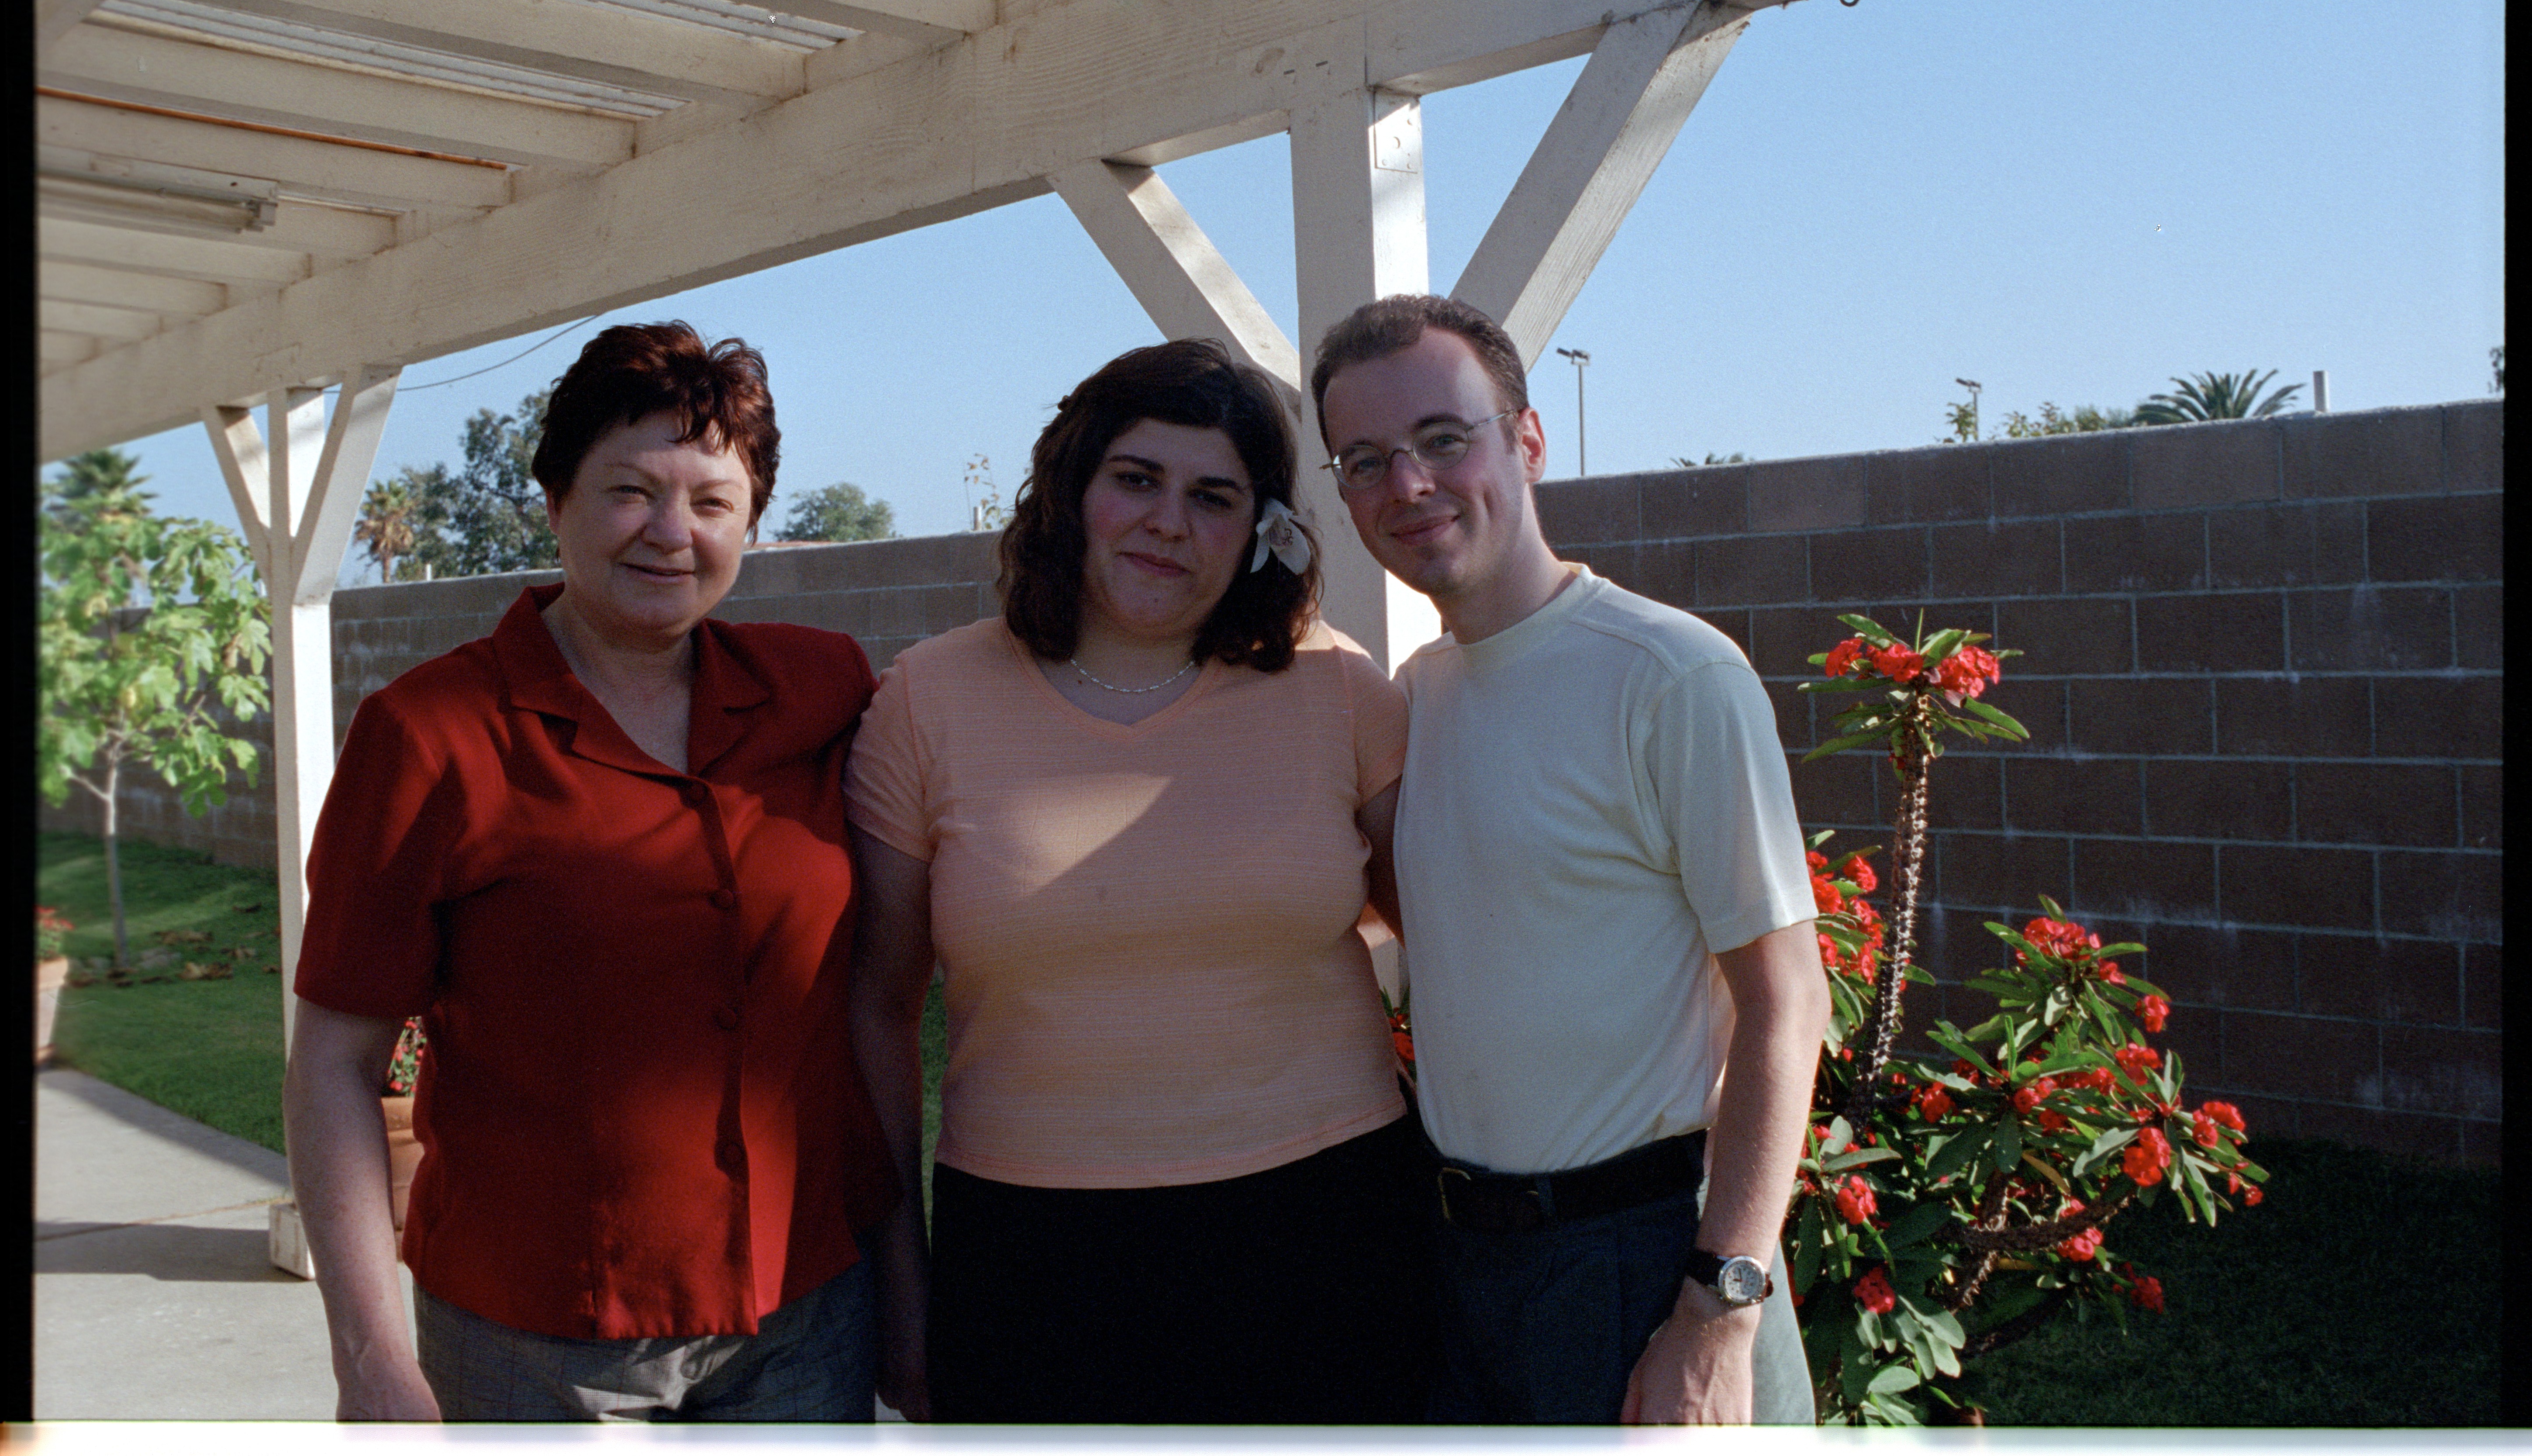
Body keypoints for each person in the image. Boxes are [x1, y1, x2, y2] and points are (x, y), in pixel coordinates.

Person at [283, 322, 896, 1422]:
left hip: (806, 1321)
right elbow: (335, 1060)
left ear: (752, 524)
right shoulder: (430, 735)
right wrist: (368, 1354)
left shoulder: (822, 686)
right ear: (555, 498)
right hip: (534, 1347)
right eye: (631, 491)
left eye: (712, 502)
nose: (671, 532)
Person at [846, 337, 1431, 1425]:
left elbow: (1460, 951)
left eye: (1213, 496)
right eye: (1136, 478)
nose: (1168, 521)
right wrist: (901, 1281)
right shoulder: (927, 699)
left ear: (1261, 527)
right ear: (1071, 488)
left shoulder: (1337, 686)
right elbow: (875, 1010)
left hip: (1329, 1238)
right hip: (1032, 1260)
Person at [1309, 293, 1832, 1426]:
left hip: (1645, 1264)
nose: (1408, 483)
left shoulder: (1671, 676)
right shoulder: (1417, 699)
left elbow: (1788, 1001)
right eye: (1366, 460)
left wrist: (1718, 1310)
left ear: (1529, 440)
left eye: (1443, 438)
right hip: (1465, 1266)